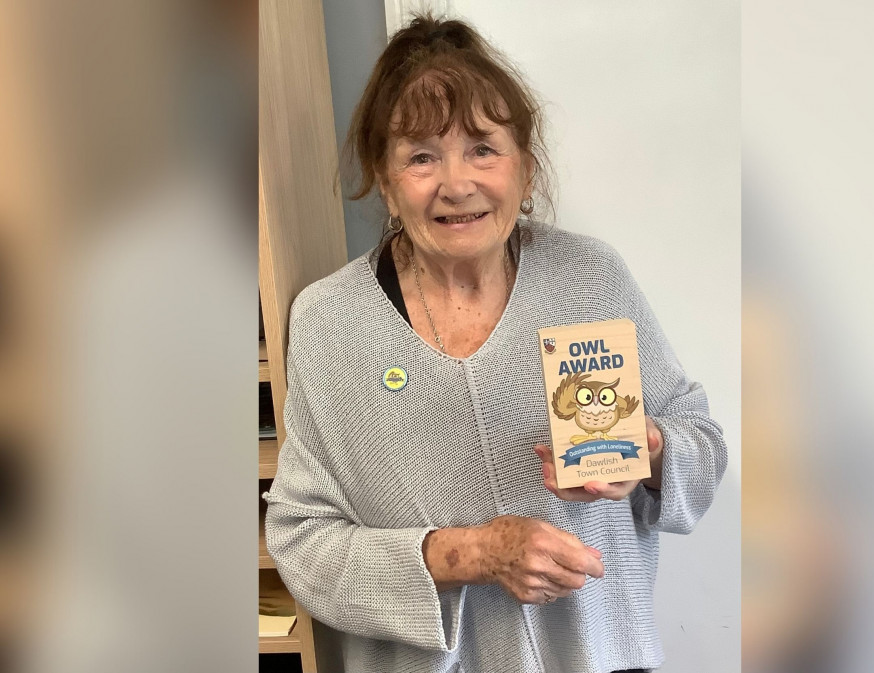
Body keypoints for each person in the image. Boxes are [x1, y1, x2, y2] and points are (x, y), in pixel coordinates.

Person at [264, 14, 727, 673]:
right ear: (386, 182)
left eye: (483, 147)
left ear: (525, 168)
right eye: (422, 156)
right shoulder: (330, 320)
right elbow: (303, 542)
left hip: (601, 660)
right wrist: (469, 554)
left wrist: (650, 449)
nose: (457, 183)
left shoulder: (591, 277)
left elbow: (702, 446)